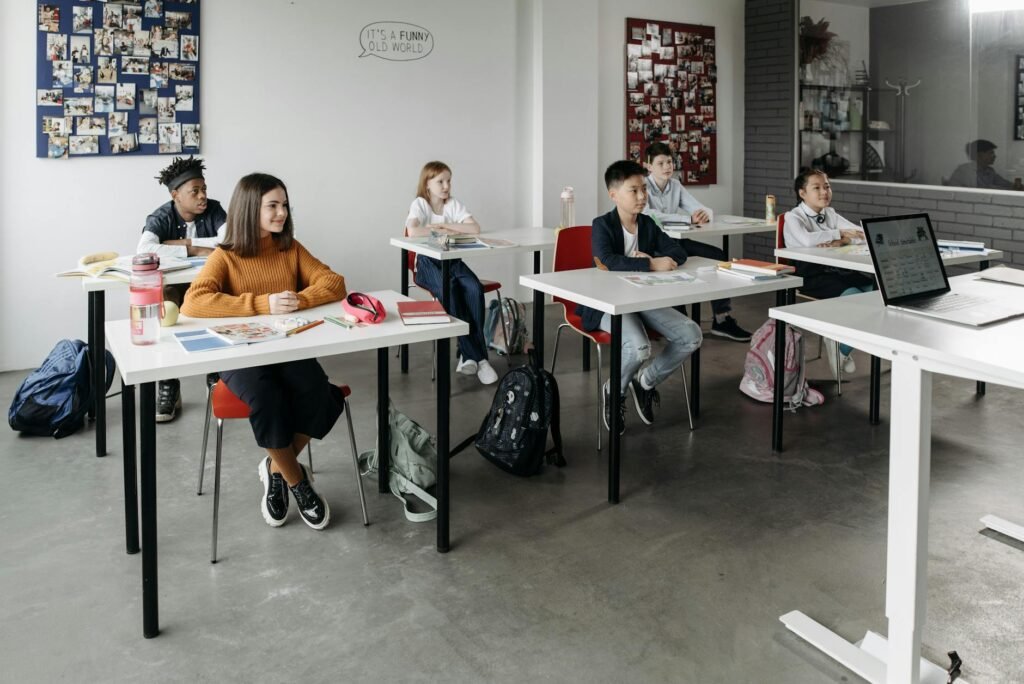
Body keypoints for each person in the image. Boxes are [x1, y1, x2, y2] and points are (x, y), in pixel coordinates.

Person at [182, 173, 345, 530]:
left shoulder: (290, 249)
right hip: (240, 355)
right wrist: (260, 304)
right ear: (249, 208)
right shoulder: (226, 256)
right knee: (267, 398)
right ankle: (298, 484)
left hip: (286, 348)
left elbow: (334, 282)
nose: (282, 213)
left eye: (284, 205)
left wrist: (299, 299)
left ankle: (276, 468)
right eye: (273, 205)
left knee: (322, 394)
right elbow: (194, 302)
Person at [579, 160, 703, 433]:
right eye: (633, 191)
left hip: (643, 299)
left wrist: (660, 257)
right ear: (613, 195)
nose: (642, 196)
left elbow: (678, 250)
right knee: (638, 347)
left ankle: (645, 381)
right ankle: (615, 391)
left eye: (644, 190)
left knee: (691, 334)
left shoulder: (647, 224)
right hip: (607, 304)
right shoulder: (602, 224)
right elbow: (607, 260)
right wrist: (651, 264)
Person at [139, 156, 227, 422]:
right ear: (176, 195)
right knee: (165, 312)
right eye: (195, 191)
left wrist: (182, 243)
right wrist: (198, 248)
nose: (203, 196)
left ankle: (217, 375)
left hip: (206, 284)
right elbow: (145, 249)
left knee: (219, 306)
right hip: (174, 288)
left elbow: (230, 241)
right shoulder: (161, 215)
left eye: (204, 190)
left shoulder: (214, 210)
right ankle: (168, 383)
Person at [642, 142, 752, 342]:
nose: (667, 167)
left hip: (676, 241)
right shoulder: (643, 186)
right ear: (649, 166)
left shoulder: (675, 185)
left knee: (718, 256)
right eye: (660, 163)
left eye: (669, 161)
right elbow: (650, 216)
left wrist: (703, 215)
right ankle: (677, 323)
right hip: (653, 246)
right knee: (675, 263)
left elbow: (699, 208)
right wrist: (687, 219)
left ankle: (722, 319)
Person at [405, 161, 498, 385]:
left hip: (452, 259)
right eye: (440, 181)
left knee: (474, 288)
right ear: (427, 184)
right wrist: (444, 229)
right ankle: (479, 358)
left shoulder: (453, 204)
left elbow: (474, 228)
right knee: (451, 291)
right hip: (427, 263)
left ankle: (468, 356)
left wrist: (444, 228)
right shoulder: (420, 204)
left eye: (448, 180)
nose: (446, 186)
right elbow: (412, 231)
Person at [783, 168, 874, 378]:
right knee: (859, 300)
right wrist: (838, 233)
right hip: (810, 276)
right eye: (817, 187)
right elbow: (806, 239)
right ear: (802, 193)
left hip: (838, 272)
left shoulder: (830, 214)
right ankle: (841, 346)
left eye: (827, 186)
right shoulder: (793, 217)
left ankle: (840, 342)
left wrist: (845, 240)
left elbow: (862, 234)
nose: (824, 192)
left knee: (880, 296)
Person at [948, 140, 1014, 190]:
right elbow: (984, 189)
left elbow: (1005, 183)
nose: (994, 156)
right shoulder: (965, 170)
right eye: (990, 153)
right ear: (979, 155)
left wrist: (1017, 186)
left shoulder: (990, 171)